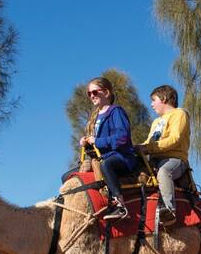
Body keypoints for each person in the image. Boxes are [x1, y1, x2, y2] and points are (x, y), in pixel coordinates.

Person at [80, 77, 139, 220]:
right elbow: (98, 143)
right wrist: (87, 142)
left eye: (95, 92)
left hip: (122, 157)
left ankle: (120, 206)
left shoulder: (116, 111)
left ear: (106, 92)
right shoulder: (95, 117)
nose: (92, 96)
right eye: (89, 93)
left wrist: (97, 141)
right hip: (103, 157)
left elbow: (122, 138)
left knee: (106, 165)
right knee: (70, 175)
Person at [136, 85, 189, 225]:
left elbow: (175, 139)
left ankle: (169, 210)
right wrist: (138, 148)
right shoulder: (156, 122)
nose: (151, 105)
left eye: (154, 100)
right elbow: (149, 142)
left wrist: (149, 148)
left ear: (164, 98)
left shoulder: (179, 114)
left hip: (175, 159)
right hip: (154, 159)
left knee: (164, 172)